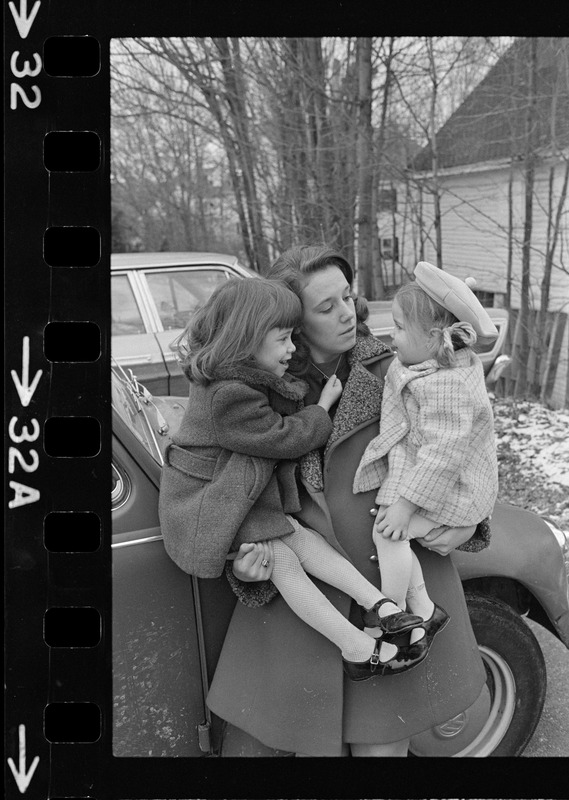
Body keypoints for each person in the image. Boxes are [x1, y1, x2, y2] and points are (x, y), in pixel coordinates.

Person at [206, 246, 492, 757]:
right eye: (325, 306)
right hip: (309, 603)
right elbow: (225, 493)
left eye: (349, 296)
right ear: (292, 322)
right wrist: (242, 567)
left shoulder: (400, 365)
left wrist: (471, 524)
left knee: (382, 750)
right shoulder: (251, 396)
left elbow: (466, 441)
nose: (347, 313)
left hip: (396, 587)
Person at [159, 277, 428, 681]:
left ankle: (382, 608)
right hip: (208, 505)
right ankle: (357, 647)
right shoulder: (228, 395)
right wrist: (321, 407)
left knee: (301, 538)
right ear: (246, 340)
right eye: (284, 339)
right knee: (284, 559)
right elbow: (283, 438)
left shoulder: (239, 380)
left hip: (233, 495)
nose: (291, 348)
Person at [353, 261, 499, 648]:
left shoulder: (445, 384)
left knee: (387, 532)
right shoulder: (430, 365)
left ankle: (394, 613)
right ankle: (422, 612)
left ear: (435, 337)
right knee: (389, 531)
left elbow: (444, 453)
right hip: (443, 480)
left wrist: (406, 503)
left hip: (455, 487)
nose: (391, 334)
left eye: (400, 327)